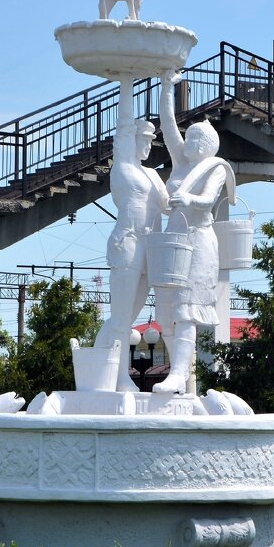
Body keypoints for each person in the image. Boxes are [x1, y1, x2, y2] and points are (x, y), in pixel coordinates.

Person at [153, 70, 236, 393]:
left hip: (199, 243)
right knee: (167, 308)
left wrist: (187, 197)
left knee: (186, 309)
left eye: (193, 139)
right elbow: (168, 123)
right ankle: (182, 377)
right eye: (187, 139)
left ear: (206, 145)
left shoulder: (214, 168)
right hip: (172, 242)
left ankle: (177, 375)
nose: (185, 142)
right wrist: (165, 87)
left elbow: (207, 201)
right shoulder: (181, 160)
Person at [93, 101, 169, 391]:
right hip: (128, 242)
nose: (148, 146)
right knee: (122, 317)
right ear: (130, 140)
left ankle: (100, 367)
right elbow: (123, 125)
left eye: (151, 141)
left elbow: (168, 204)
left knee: (126, 317)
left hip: (150, 248)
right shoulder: (123, 168)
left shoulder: (151, 174)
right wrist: (127, 81)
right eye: (142, 140)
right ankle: (117, 375)